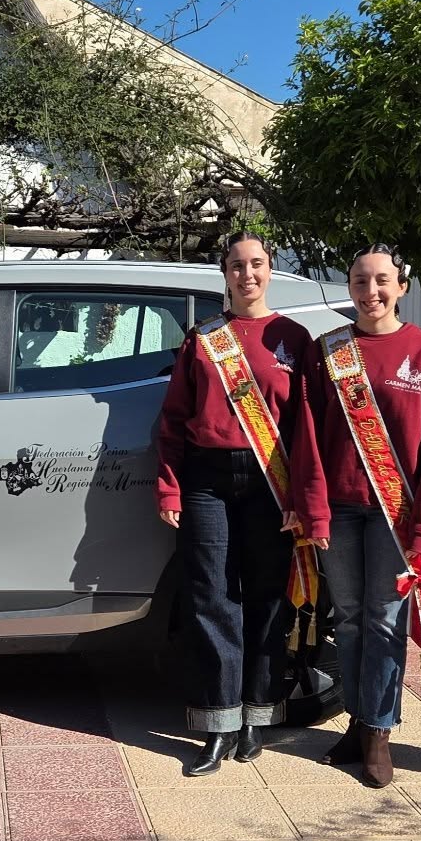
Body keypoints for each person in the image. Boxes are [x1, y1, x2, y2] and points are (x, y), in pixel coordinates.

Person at [156, 232, 329, 775]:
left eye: (256, 264)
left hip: (271, 482)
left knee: (266, 600)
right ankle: (216, 725)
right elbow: (174, 421)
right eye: (236, 265)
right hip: (207, 479)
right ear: (224, 273)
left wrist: (303, 498)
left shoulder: (294, 338)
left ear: (270, 270)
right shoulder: (204, 339)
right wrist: (169, 486)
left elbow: (307, 430)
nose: (246, 274)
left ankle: (258, 718)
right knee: (210, 597)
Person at [305, 244, 421, 787]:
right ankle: (358, 720)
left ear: (402, 286)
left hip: (398, 513)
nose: (372, 292)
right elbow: (311, 439)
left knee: (384, 620)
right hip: (341, 508)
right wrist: (314, 509)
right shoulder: (330, 352)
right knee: (346, 617)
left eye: (382, 281)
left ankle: (379, 732)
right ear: (349, 287)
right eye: (361, 281)